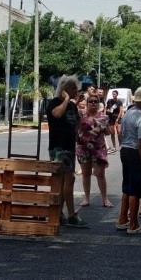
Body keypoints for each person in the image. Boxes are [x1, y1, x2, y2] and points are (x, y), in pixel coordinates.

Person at [47, 75, 89, 228]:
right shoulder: (54, 102)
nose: (75, 90)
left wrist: (75, 106)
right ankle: (71, 214)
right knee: (68, 180)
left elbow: (77, 123)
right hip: (59, 147)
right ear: (64, 89)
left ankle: (58, 213)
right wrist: (65, 100)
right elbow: (57, 114)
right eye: (72, 88)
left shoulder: (72, 106)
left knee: (65, 182)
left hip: (70, 147)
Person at [116, 86, 141, 235]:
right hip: (135, 152)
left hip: (125, 150)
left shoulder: (128, 113)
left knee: (127, 185)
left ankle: (122, 219)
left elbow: (120, 133)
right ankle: (133, 224)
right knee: (136, 188)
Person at [76, 94, 112, 208]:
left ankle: (105, 199)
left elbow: (108, 132)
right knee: (86, 174)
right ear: (86, 103)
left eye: (95, 101)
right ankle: (86, 198)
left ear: (98, 103)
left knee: (100, 174)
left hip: (98, 149)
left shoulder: (104, 117)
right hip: (83, 148)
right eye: (90, 101)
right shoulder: (81, 114)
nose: (93, 103)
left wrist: (105, 128)